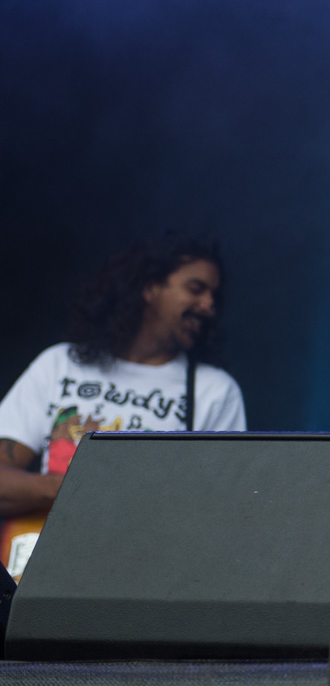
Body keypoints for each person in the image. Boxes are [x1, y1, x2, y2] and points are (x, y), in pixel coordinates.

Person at [0, 235, 247, 576]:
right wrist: (73, 488)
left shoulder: (214, 390)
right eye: (195, 289)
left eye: (214, 297)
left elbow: (223, 513)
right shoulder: (60, 364)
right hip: (36, 572)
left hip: (139, 575)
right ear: (150, 288)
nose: (208, 305)